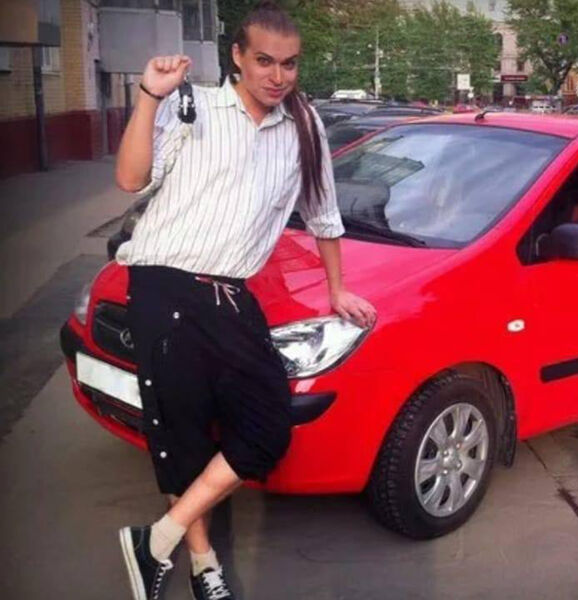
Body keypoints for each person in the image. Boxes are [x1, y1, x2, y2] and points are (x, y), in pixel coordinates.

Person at [114, 2, 376, 599]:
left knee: (267, 427)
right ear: (237, 56)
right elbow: (129, 180)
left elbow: (323, 213)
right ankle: (202, 564)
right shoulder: (194, 108)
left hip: (230, 293)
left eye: (289, 63)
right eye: (264, 61)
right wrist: (149, 97)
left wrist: (336, 288)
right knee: (183, 435)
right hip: (165, 283)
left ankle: (156, 540)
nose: (277, 76)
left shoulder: (303, 126)